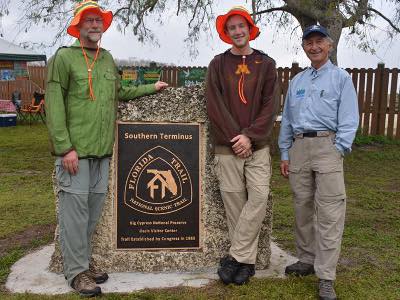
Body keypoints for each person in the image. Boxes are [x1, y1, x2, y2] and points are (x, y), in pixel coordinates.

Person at [45, 0, 168, 296]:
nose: (94, 24)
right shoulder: (63, 58)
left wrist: (151, 88)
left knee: (90, 213)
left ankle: (82, 263)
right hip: (76, 152)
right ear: (78, 25)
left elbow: (119, 92)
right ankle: (75, 273)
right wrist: (65, 148)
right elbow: (53, 105)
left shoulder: (106, 58)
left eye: (98, 20)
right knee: (74, 215)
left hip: (102, 152)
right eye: (88, 20)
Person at [278, 25, 359, 300]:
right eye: (309, 43)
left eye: (319, 42)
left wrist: (339, 149)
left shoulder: (341, 78)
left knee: (329, 214)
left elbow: (349, 119)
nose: (314, 47)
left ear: (329, 45)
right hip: (299, 147)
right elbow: (287, 119)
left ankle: (326, 276)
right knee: (302, 208)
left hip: (327, 147)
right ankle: (306, 259)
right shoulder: (296, 82)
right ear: (304, 48)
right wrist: (285, 152)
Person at [206, 6, 278, 285]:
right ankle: (246, 265)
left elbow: (270, 105)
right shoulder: (218, 64)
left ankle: (236, 257)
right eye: (232, 27)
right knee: (235, 203)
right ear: (226, 32)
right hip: (228, 148)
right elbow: (215, 105)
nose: (237, 31)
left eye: (241, 26)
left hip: (257, 148)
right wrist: (237, 138)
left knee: (258, 197)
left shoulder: (266, 64)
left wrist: (250, 136)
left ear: (250, 29)